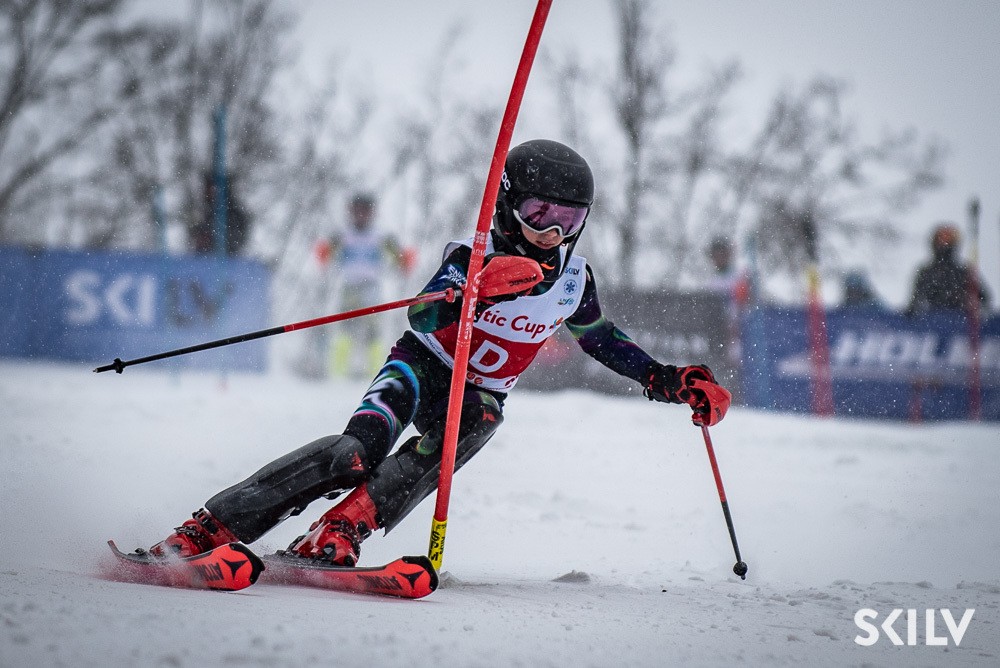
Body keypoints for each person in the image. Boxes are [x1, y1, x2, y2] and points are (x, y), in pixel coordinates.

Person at [147, 140, 733, 567]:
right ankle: (210, 528)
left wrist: (668, 379)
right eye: (538, 214)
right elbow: (421, 315)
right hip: (420, 368)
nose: (551, 232)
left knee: (479, 420)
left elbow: (601, 338)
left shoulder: (573, 280)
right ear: (508, 203)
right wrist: (475, 289)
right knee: (355, 454)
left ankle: (340, 530)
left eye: (568, 219)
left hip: (477, 393)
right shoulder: (470, 255)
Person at [299, 192, 415, 379]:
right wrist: (322, 254)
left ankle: (375, 374)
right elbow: (325, 255)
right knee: (345, 332)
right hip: (350, 288)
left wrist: (405, 260)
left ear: (372, 213)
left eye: (365, 211)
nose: (361, 215)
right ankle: (337, 375)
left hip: (372, 289)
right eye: (357, 211)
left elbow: (400, 259)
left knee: (373, 335)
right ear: (351, 212)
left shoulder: (381, 236)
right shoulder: (342, 235)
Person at [906, 223, 990, 316]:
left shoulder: (965, 272)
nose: (944, 243)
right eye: (941, 239)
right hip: (932, 321)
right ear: (934, 242)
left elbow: (984, 301)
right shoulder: (925, 272)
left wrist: (970, 305)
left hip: (960, 320)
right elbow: (914, 305)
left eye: (948, 239)